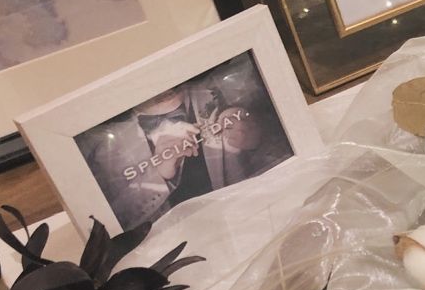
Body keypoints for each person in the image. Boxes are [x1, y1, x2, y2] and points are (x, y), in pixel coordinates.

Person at [76, 57, 292, 231]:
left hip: (250, 222)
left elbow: (285, 151)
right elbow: (111, 225)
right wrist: (158, 174)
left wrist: (257, 137)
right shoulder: (104, 145)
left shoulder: (222, 89)